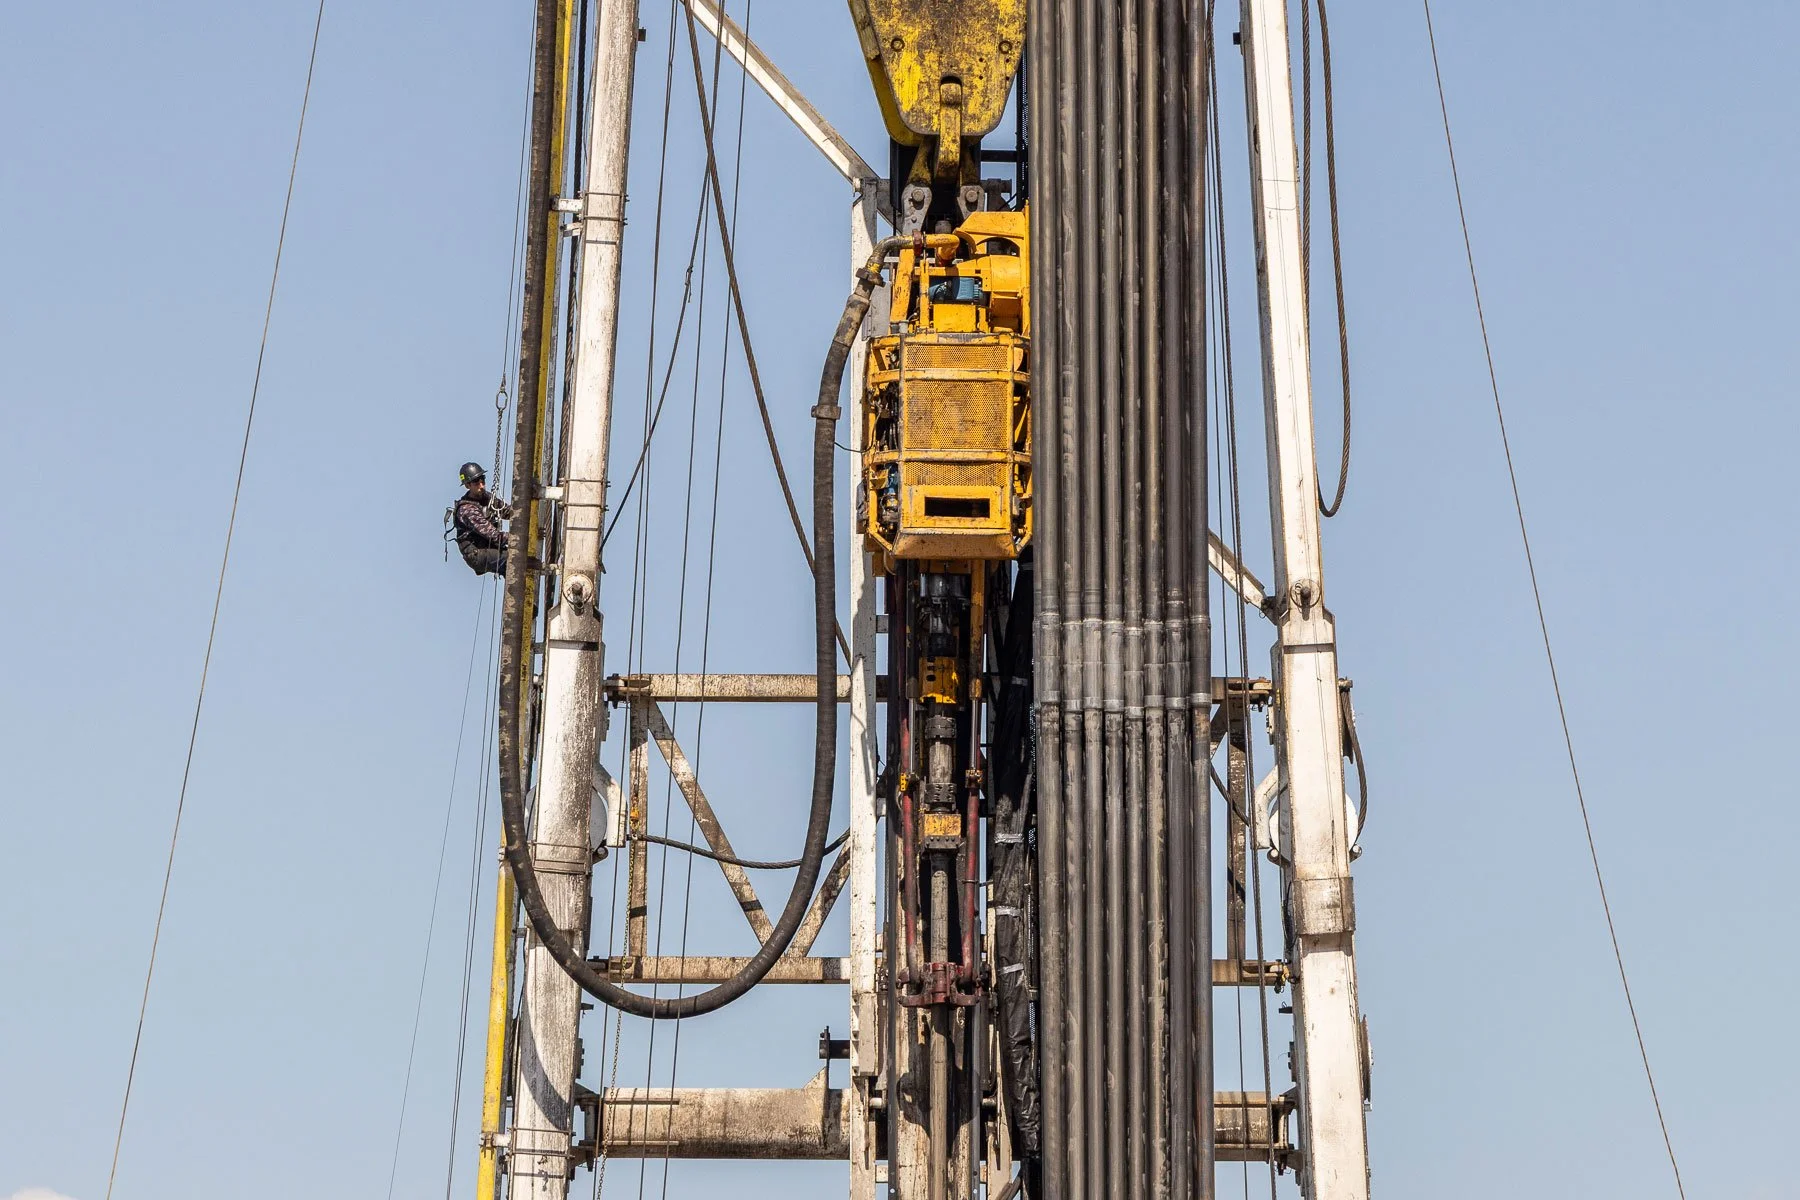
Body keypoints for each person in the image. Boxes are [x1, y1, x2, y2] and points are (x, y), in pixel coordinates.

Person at [450, 462, 513, 576]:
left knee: (520, 560)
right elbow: (494, 535)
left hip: (488, 548)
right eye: (476, 482)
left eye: (482, 480)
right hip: (476, 554)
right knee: (514, 558)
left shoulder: (486, 497)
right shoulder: (467, 510)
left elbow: (507, 511)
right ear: (467, 485)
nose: (481, 485)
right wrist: (518, 538)